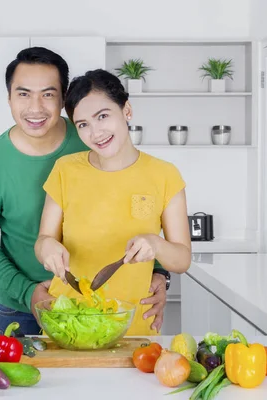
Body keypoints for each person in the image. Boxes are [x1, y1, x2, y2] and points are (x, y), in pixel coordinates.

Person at [0, 47, 171, 335]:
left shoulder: (94, 138)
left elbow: (140, 200)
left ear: (63, 100)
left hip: (101, 304)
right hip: (23, 308)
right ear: (9, 98)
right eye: (23, 94)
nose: (35, 108)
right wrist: (27, 291)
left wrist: (159, 272)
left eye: (48, 94)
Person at [34, 69, 191, 336]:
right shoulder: (65, 170)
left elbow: (182, 259)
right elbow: (43, 240)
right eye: (83, 124)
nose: (96, 132)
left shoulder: (165, 175)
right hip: (68, 321)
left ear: (126, 110)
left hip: (132, 326)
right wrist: (47, 247)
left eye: (103, 116)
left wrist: (155, 244)